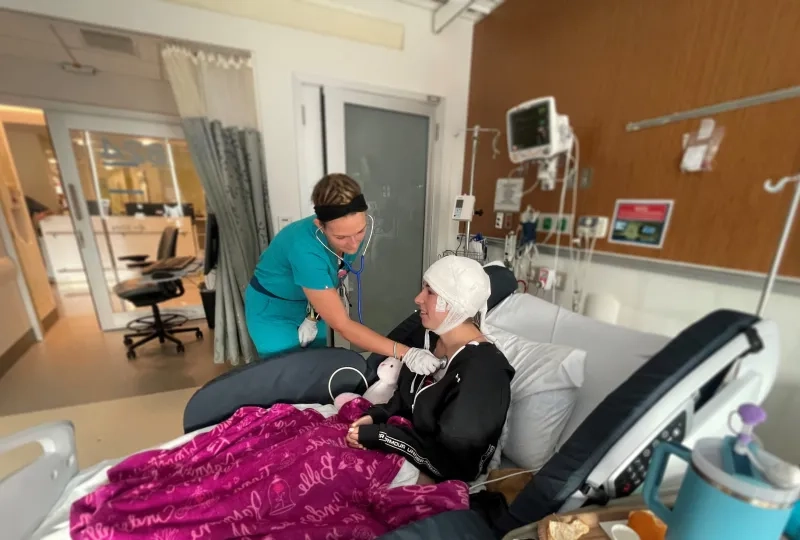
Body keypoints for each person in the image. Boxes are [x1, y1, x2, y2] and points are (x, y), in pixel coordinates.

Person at [246, 173, 441, 374]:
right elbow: (342, 325)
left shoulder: (352, 231)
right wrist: (406, 353)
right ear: (319, 225)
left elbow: (328, 279)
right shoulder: (304, 249)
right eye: (341, 237)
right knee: (286, 373)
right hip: (274, 308)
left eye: (360, 231)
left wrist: (312, 317)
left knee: (315, 368)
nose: (353, 243)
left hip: (310, 303)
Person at [346, 255, 515, 483]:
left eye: (430, 292)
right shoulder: (428, 340)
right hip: (403, 447)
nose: (418, 299)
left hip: (437, 472)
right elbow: (405, 402)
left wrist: (382, 435)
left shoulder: (483, 373)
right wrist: (375, 417)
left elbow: (457, 463)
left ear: (454, 302)